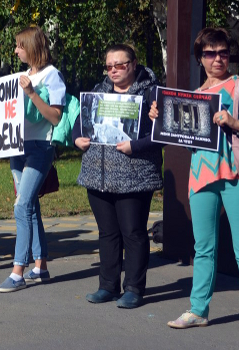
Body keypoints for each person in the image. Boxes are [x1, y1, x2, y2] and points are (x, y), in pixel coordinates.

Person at [150, 28, 239, 341]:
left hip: (238, 176)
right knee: (203, 248)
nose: (218, 58)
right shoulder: (195, 94)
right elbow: (187, 141)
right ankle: (198, 310)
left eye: (223, 52)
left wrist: (236, 123)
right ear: (199, 57)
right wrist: (160, 119)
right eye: (210, 53)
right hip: (202, 176)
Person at [72, 43, 163, 309]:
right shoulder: (98, 92)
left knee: (133, 232)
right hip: (97, 174)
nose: (114, 70)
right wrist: (77, 138)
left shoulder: (151, 93)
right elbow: (80, 123)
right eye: (109, 66)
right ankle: (107, 286)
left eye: (120, 65)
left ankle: (134, 288)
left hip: (135, 175)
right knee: (107, 233)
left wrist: (137, 145)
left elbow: (164, 134)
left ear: (134, 64)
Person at [0, 26, 65, 292]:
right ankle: (41, 266)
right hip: (17, 147)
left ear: (32, 47)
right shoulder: (22, 75)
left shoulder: (51, 75)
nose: (15, 51)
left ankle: (17, 272)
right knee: (30, 206)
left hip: (39, 147)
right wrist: (0, 142)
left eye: (19, 46)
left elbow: (55, 117)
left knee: (21, 206)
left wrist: (32, 93)